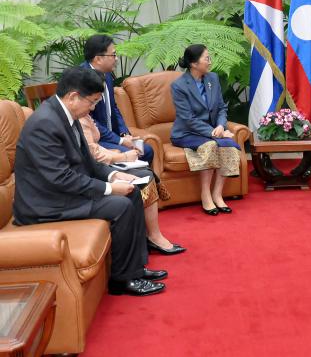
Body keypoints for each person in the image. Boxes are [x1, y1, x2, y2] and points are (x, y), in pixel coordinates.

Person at [12, 67, 167, 296]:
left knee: (132, 192)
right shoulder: (44, 124)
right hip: (46, 204)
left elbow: (87, 160)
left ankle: (134, 269)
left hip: (63, 192)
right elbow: (60, 178)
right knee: (120, 206)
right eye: (92, 102)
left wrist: (114, 175)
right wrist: (109, 188)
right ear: (73, 96)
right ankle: (122, 281)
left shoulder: (67, 114)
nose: (93, 108)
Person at [79, 113, 186, 255]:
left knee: (146, 174)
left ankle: (153, 236)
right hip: (95, 172)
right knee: (144, 176)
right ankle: (150, 238)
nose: (95, 103)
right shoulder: (79, 118)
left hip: (103, 163)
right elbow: (93, 154)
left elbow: (96, 145)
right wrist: (121, 156)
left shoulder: (84, 114)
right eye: (94, 99)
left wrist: (116, 149)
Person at [171, 44, 240, 215]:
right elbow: (187, 119)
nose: (210, 62)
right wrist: (213, 132)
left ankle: (217, 195)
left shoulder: (213, 79)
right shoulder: (179, 86)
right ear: (194, 64)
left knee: (228, 145)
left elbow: (222, 108)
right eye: (207, 58)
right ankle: (205, 195)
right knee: (211, 146)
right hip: (186, 133)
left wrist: (220, 126)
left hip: (213, 130)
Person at [81, 34, 153, 163]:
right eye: (113, 55)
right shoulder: (82, 78)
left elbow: (113, 107)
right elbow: (87, 119)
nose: (117, 59)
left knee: (146, 150)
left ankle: (142, 181)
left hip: (112, 135)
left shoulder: (107, 74)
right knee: (135, 155)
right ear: (98, 58)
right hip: (95, 139)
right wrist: (119, 141)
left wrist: (124, 133)